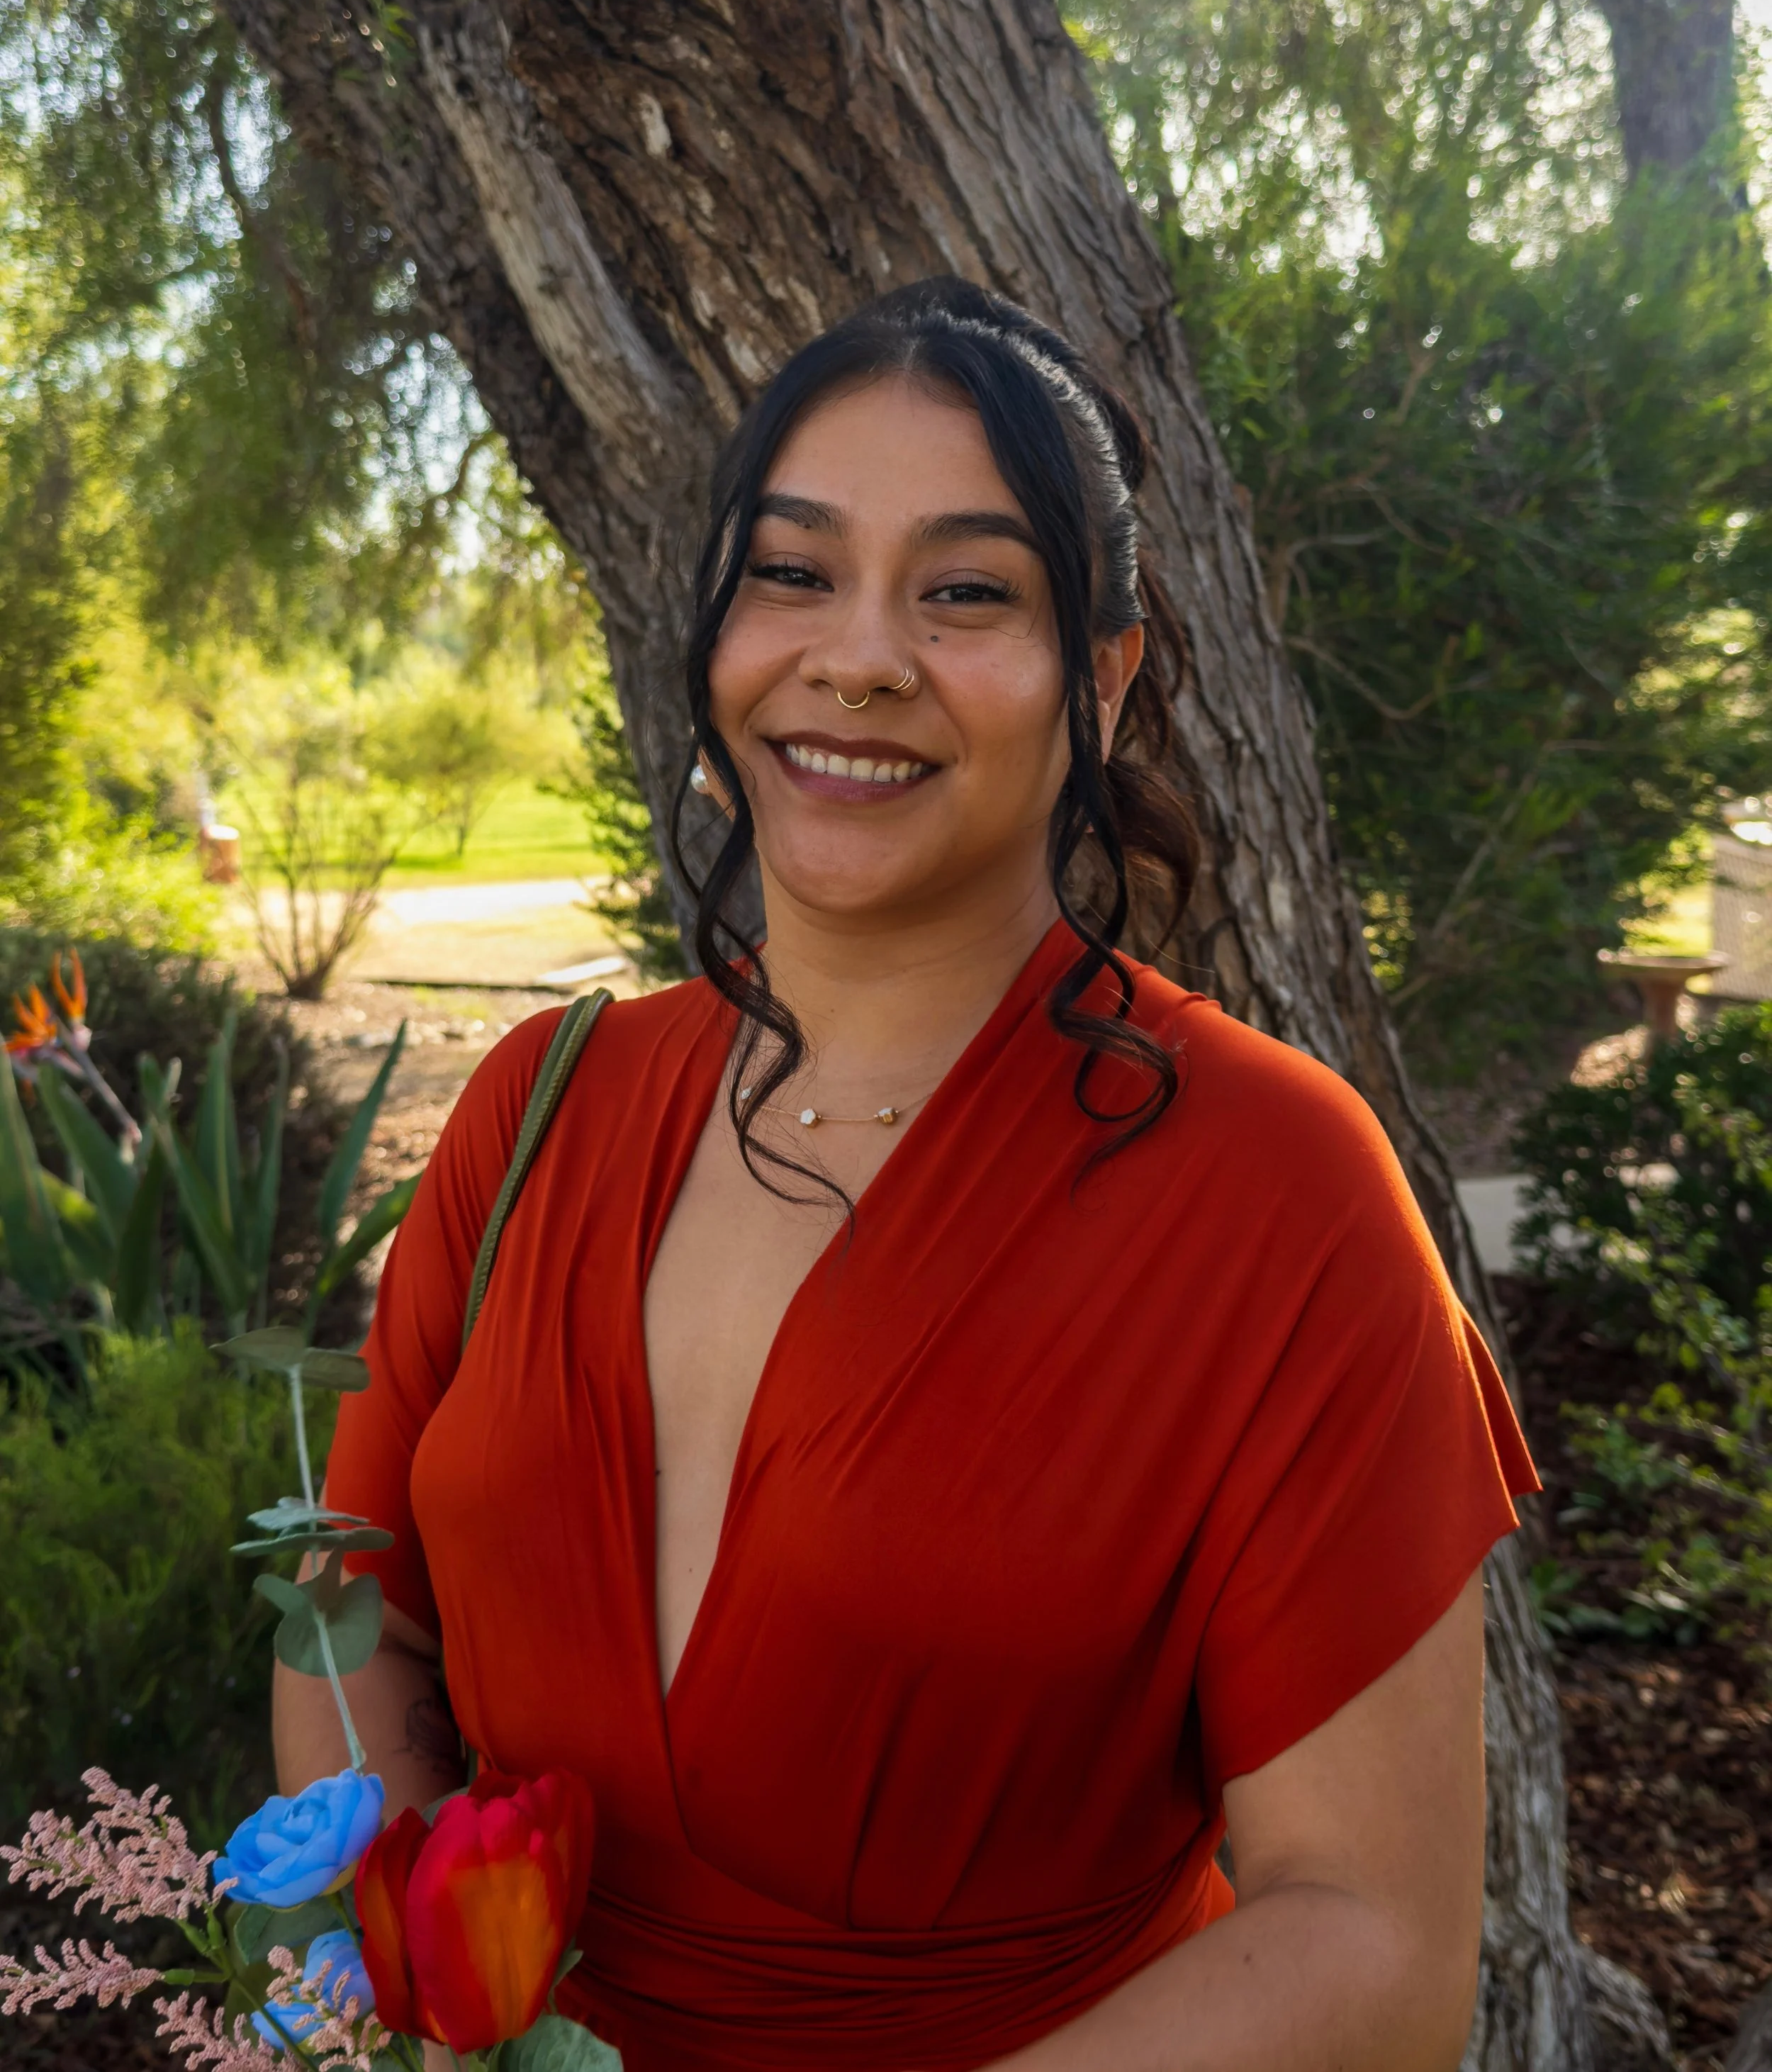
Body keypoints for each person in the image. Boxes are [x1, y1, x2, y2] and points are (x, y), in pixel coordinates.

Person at [279, 280, 1537, 2072]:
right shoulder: (537, 1106)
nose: (856, 654)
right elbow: (357, 1623)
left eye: (962, 591)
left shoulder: (1275, 1196)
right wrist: (426, 2022)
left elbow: (1373, 1948)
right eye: (792, 571)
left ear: (1097, 675)